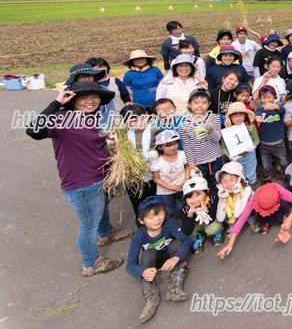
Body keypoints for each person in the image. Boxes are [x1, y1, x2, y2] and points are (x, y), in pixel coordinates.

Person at [26, 81, 132, 276]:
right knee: (89, 223)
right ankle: (91, 263)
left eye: (94, 97)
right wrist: (56, 102)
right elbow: (33, 131)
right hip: (81, 184)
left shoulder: (92, 118)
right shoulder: (61, 119)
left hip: (99, 178)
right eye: (83, 97)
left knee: (100, 210)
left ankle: (106, 233)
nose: (90, 101)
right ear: (72, 101)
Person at [126, 196, 191, 323]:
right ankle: (151, 298)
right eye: (150, 217)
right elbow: (130, 265)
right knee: (147, 254)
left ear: (164, 212)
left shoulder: (169, 222)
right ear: (141, 220)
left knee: (177, 244)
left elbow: (187, 240)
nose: (156, 220)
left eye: (159, 214)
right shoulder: (138, 236)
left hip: (170, 257)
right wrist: (142, 272)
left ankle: (174, 288)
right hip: (153, 262)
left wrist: (176, 258)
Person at [218, 182, 292, 258]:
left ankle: (282, 216)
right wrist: (230, 244)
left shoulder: (278, 189)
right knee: (268, 218)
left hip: (281, 205)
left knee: (281, 212)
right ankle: (271, 220)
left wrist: (290, 218)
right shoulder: (255, 197)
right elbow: (242, 218)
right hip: (270, 207)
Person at [178, 89, 224, 192]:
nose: (200, 105)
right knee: (201, 187)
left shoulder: (215, 118)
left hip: (215, 158)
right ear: (189, 104)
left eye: (204, 103)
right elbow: (187, 146)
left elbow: (218, 139)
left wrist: (210, 129)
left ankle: (218, 204)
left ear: (209, 104)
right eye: (196, 102)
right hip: (198, 162)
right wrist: (191, 165)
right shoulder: (184, 125)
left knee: (217, 184)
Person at [176, 176, 223, 253]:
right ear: (185, 199)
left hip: (212, 221)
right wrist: (190, 215)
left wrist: (207, 212)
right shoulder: (184, 210)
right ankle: (198, 237)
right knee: (188, 232)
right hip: (197, 226)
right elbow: (186, 231)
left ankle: (218, 231)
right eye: (190, 197)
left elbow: (216, 216)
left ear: (206, 192)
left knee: (213, 228)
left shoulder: (213, 198)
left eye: (198, 195)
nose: (194, 200)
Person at [150, 130, 188, 216]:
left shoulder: (182, 154)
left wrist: (186, 179)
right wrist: (170, 187)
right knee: (170, 210)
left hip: (183, 187)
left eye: (175, 143)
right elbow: (156, 178)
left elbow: (187, 167)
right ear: (160, 147)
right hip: (165, 191)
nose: (173, 147)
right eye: (168, 145)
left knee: (187, 205)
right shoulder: (157, 161)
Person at [221, 102, 260, 186]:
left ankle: (253, 187)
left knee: (251, 173)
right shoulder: (227, 131)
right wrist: (229, 155)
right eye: (235, 116)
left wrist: (253, 145)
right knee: (240, 175)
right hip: (236, 157)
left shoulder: (251, 126)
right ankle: (243, 190)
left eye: (241, 115)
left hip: (250, 155)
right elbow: (223, 146)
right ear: (230, 118)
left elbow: (256, 139)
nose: (238, 118)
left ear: (245, 115)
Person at [254, 85, 288, 183]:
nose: (266, 100)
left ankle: (288, 175)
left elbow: (283, 110)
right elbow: (257, 116)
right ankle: (266, 178)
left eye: (269, 97)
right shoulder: (260, 110)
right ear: (260, 99)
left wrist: (276, 106)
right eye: (264, 98)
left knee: (283, 161)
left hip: (279, 143)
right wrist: (257, 118)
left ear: (274, 97)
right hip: (264, 144)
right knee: (266, 165)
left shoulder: (278, 108)